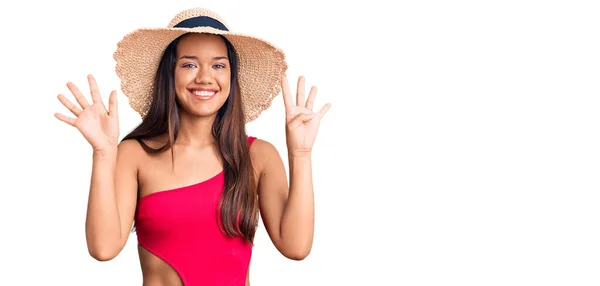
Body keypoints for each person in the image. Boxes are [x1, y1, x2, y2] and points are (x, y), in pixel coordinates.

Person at [53, 7, 330, 286]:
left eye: (218, 65)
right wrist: (103, 154)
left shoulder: (259, 156)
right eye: (189, 64)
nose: (205, 78)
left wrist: (301, 154)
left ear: (231, 78)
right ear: (169, 74)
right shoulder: (134, 154)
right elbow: (103, 248)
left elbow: (296, 247)